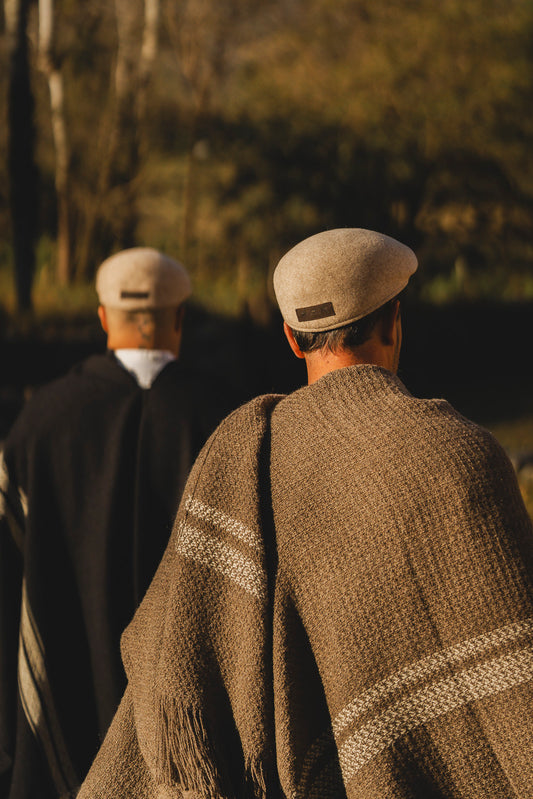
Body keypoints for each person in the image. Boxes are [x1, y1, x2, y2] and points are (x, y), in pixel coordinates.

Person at [78, 229, 533, 799]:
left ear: (293, 340)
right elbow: (515, 685)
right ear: (395, 319)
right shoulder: (461, 458)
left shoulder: (240, 458)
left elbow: (169, 655)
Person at [0, 247, 237, 799]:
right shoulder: (228, 420)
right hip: (193, 710)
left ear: (103, 317)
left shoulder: (42, 422)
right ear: (181, 317)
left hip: (68, 693)